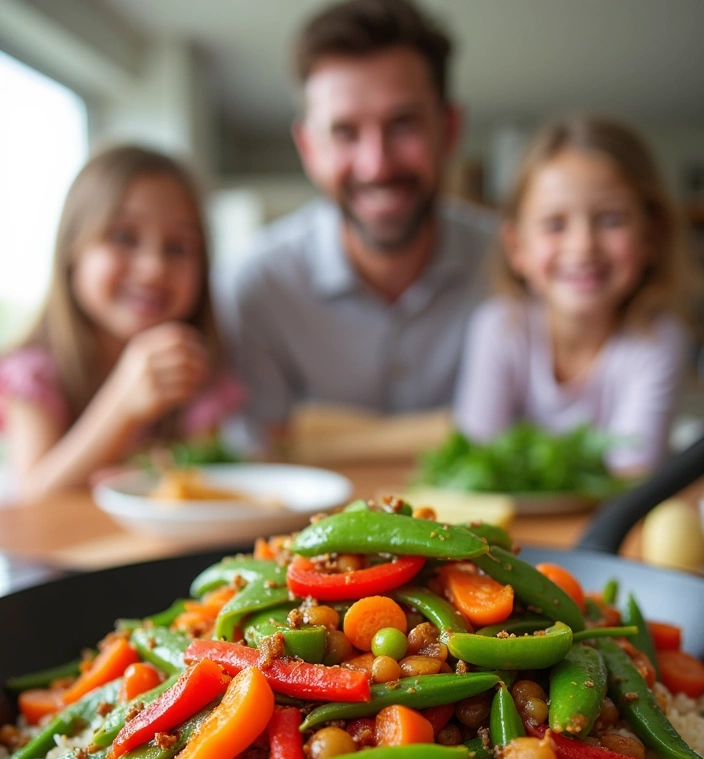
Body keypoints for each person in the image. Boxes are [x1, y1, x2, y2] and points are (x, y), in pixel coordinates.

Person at [215, 0, 496, 454]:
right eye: (345, 132)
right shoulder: (254, 287)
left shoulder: (513, 266)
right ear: (308, 147)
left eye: (403, 124)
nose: (376, 164)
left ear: (449, 129)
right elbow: (257, 465)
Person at [452, 115, 694, 477]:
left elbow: (630, 475)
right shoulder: (499, 327)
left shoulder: (658, 340)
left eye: (611, 220)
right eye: (555, 224)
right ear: (517, 247)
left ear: (651, 236)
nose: (583, 247)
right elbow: (475, 458)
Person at [0, 144, 245, 501]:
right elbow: (34, 498)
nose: (153, 268)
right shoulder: (33, 375)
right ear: (73, 250)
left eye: (177, 247)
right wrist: (123, 403)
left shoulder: (199, 373)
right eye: (123, 237)